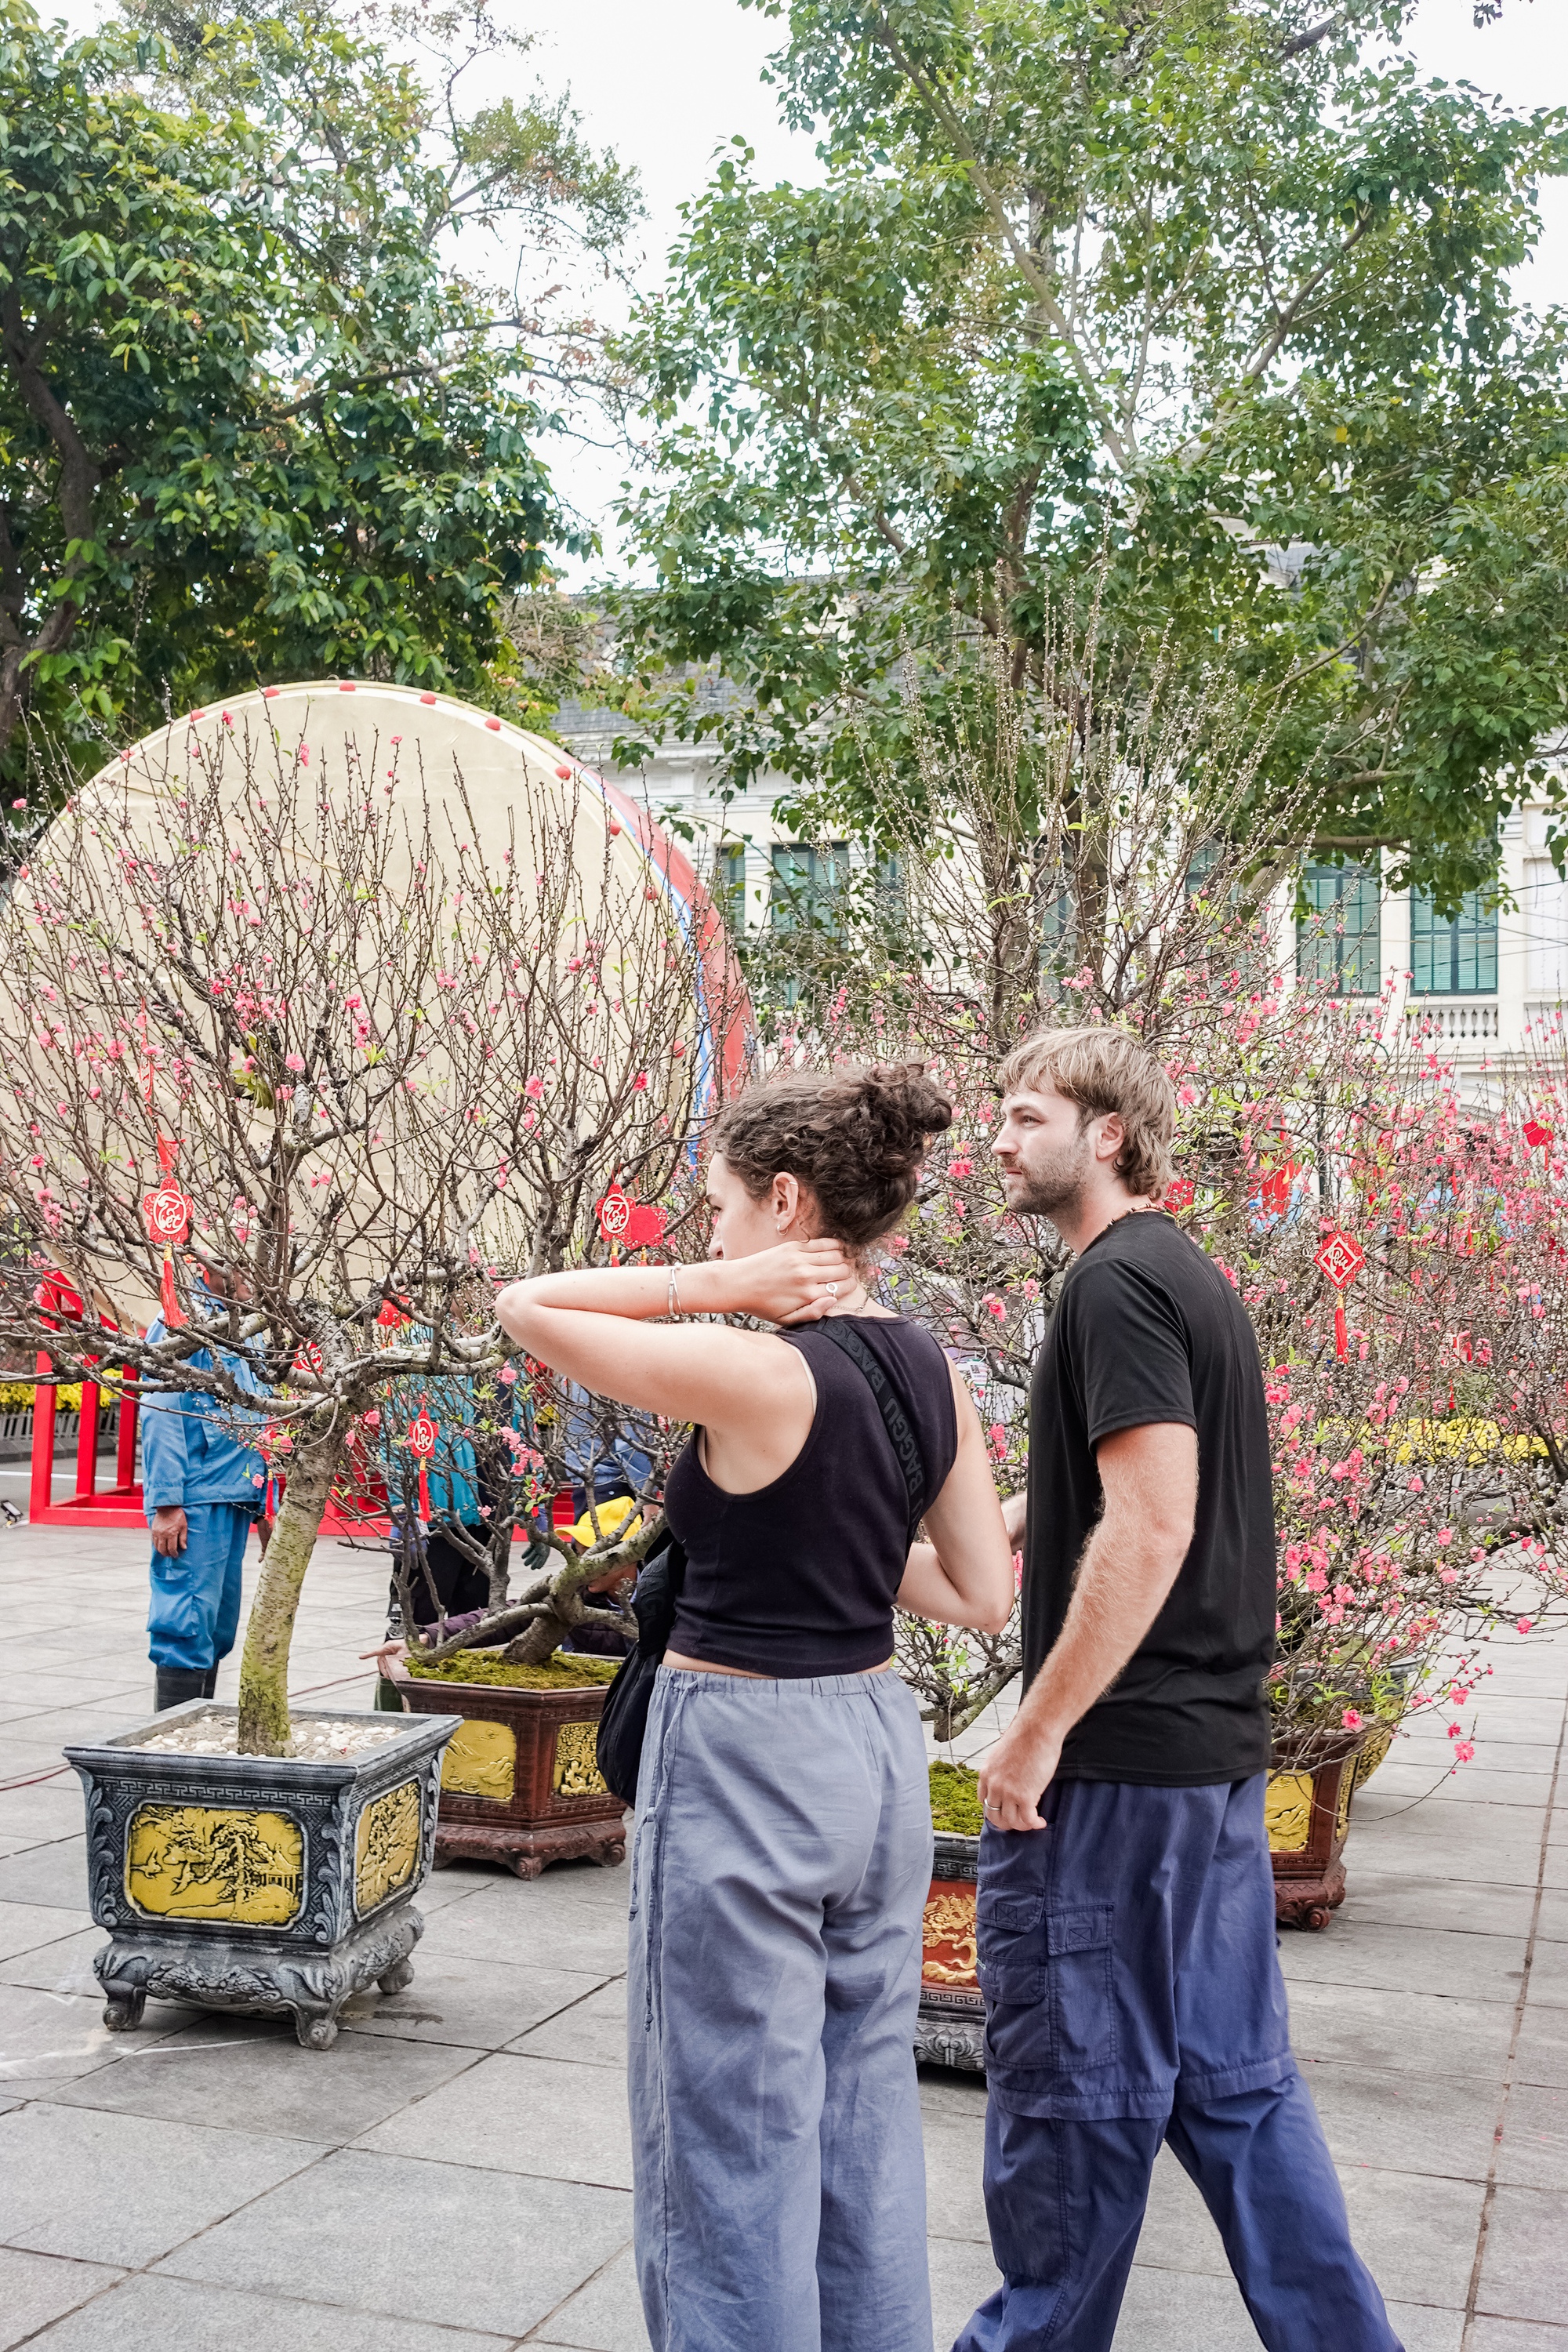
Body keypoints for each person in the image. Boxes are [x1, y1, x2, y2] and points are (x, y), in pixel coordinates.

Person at [498, 1063, 1014, 2352]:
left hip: (746, 1755)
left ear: (785, 1204)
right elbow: (979, 1595)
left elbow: (528, 1307)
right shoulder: (923, 1367)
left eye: (720, 1209)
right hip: (877, 1755)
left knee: (726, 2133)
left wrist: (720, 1292)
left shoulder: (762, 1375)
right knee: (860, 2117)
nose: (708, 1235)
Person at [953, 1026, 1401, 2352]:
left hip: (1121, 1780)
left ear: (1107, 1132)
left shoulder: (1114, 1287)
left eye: (1027, 1115)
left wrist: (1033, 1738)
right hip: (1206, 1769)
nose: (999, 1138)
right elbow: (1113, 1489)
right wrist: (973, 1542)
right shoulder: (1178, 1275)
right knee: (1238, 2098)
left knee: (1076, 2110)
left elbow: (1150, 1527)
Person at [142, 1265, 270, 1711]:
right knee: (185, 1621)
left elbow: (258, 1417)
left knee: (216, 1627)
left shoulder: (245, 1324)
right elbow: (159, 1413)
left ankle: (197, 1728)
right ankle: (173, 1746)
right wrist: (166, 1503)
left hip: (234, 1493)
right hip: (195, 1498)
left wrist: (263, 1504)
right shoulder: (181, 1322)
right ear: (212, 1267)